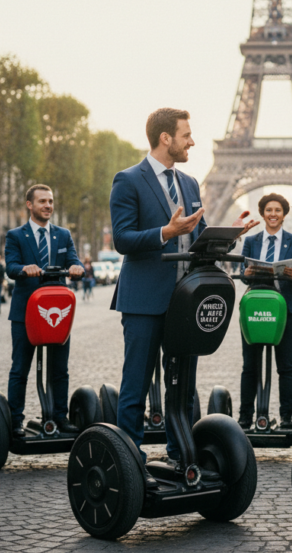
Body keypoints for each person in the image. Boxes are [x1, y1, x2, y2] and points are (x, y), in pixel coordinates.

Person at [110, 108, 257, 488]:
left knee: (183, 385)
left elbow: (199, 236)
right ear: (165, 138)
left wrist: (231, 234)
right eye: (186, 135)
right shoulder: (128, 180)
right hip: (143, 301)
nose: (192, 141)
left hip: (184, 301)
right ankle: (130, 462)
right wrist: (165, 230)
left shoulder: (190, 183)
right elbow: (122, 239)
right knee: (136, 384)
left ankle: (183, 458)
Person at [4, 184, 85, 437]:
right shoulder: (16, 236)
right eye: (42, 201)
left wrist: (77, 268)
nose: (48, 206)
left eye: (50, 201)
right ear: (30, 205)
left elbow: (74, 260)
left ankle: (59, 417)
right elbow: (10, 266)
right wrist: (23, 269)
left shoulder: (62, 235)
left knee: (60, 369)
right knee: (20, 368)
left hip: (56, 313)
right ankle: (15, 420)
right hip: (25, 313)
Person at [238, 193, 292, 429]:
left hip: (286, 308)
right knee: (250, 366)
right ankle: (245, 416)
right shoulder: (251, 241)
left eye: (278, 210)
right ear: (262, 213)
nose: (273, 214)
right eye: (269, 210)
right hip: (256, 307)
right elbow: (241, 272)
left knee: (286, 366)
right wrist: (245, 273)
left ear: (284, 214)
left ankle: (287, 417)